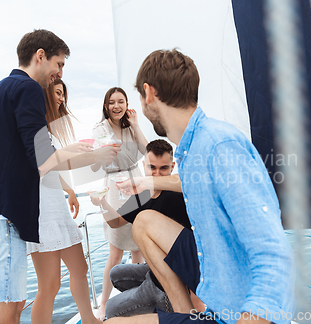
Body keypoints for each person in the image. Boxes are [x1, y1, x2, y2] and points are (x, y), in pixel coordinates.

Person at [105, 49, 296, 324]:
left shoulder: (219, 146)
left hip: (238, 312)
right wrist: (148, 181)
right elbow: (193, 182)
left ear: (148, 93)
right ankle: (185, 314)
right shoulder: (192, 150)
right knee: (144, 222)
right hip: (216, 288)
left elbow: (275, 255)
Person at [0, 29, 119, 324]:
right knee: (4, 311)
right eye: (58, 64)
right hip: (3, 219)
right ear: (40, 56)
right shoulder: (28, 88)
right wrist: (91, 154)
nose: (58, 74)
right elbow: (44, 161)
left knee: (12, 304)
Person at [90, 140, 204, 318]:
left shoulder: (179, 197)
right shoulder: (142, 194)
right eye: (152, 168)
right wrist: (102, 202)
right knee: (116, 273)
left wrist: (194, 306)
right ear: (143, 166)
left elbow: (191, 251)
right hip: (154, 269)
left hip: (170, 283)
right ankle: (149, 305)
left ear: (173, 167)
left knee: (112, 309)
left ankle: (162, 305)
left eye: (163, 168)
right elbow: (116, 222)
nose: (157, 174)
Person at [26, 79, 102, 324]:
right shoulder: (35, 128)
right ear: (46, 93)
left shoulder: (49, 130)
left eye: (63, 95)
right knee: (49, 285)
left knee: (80, 269)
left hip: (56, 210)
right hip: (41, 214)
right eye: (58, 93)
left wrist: (69, 190)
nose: (62, 99)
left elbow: (53, 168)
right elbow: (40, 167)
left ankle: (89, 319)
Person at [91, 87, 148, 319]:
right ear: (106, 106)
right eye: (112, 102)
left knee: (139, 248)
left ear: (126, 104)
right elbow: (102, 157)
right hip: (115, 184)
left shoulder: (129, 126)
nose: (117, 106)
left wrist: (135, 124)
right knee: (115, 252)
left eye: (121, 102)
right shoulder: (100, 129)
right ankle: (104, 303)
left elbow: (146, 150)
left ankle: (135, 302)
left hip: (137, 181)